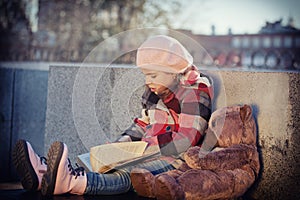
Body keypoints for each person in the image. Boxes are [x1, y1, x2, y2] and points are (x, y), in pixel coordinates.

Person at [12, 35, 213, 196]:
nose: (147, 81)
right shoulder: (155, 92)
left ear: (173, 72)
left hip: (177, 159)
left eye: (152, 75)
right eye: (144, 74)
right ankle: (45, 175)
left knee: (130, 175)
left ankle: (72, 182)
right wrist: (121, 145)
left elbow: (187, 139)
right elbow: (143, 124)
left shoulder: (194, 90)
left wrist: (143, 150)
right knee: (98, 161)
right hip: (148, 150)